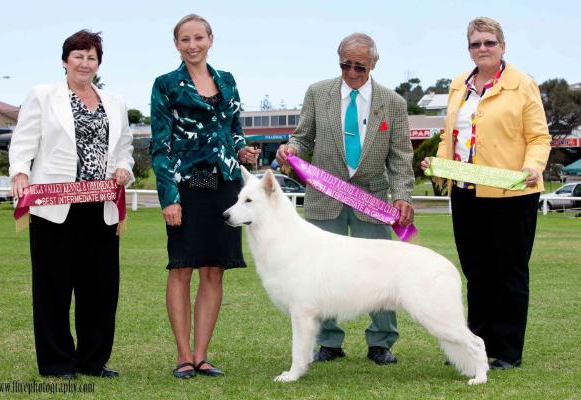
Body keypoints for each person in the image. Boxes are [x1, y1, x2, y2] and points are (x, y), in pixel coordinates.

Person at [276, 32, 414, 366]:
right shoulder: (317, 93)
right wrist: (291, 150)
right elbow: (303, 136)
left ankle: (381, 342)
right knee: (320, 273)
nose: (352, 73)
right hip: (324, 196)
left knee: (380, 272)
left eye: (359, 67)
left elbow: (400, 157)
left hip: (373, 199)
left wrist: (403, 196)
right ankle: (329, 342)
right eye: (345, 65)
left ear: (374, 64)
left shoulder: (393, 103)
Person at [421, 17, 551, 370]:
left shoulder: (522, 85)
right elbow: (452, 136)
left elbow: (539, 137)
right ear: (469, 49)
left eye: (489, 42)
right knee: (476, 272)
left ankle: (507, 350)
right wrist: (439, 165)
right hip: (465, 192)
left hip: (512, 194)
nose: (482, 49)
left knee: (508, 272)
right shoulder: (458, 84)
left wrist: (533, 166)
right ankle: (474, 344)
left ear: (502, 46)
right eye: (475, 44)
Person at [9, 30, 135, 379]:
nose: (84, 62)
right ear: (65, 60)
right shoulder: (43, 95)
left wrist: (124, 167)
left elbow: (123, 145)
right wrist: (20, 173)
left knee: (100, 288)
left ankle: (93, 362)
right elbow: (23, 140)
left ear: (98, 63)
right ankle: (57, 363)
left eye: (91, 57)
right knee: (53, 287)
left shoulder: (115, 101)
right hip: (53, 205)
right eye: (78, 55)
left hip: (102, 207)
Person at [150, 14, 260, 379]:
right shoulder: (165, 85)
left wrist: (243, 151)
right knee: (182, 267)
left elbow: (234, 128)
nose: (192, 45)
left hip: (225, 185)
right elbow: (160, 146)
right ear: (177, 44)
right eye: (185, 39)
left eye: (199, 37)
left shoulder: (227, 80)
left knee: (214, 270)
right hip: (190, 184)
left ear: (211, 39)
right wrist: (169, 197)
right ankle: (183, 356)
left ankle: (202, 356)